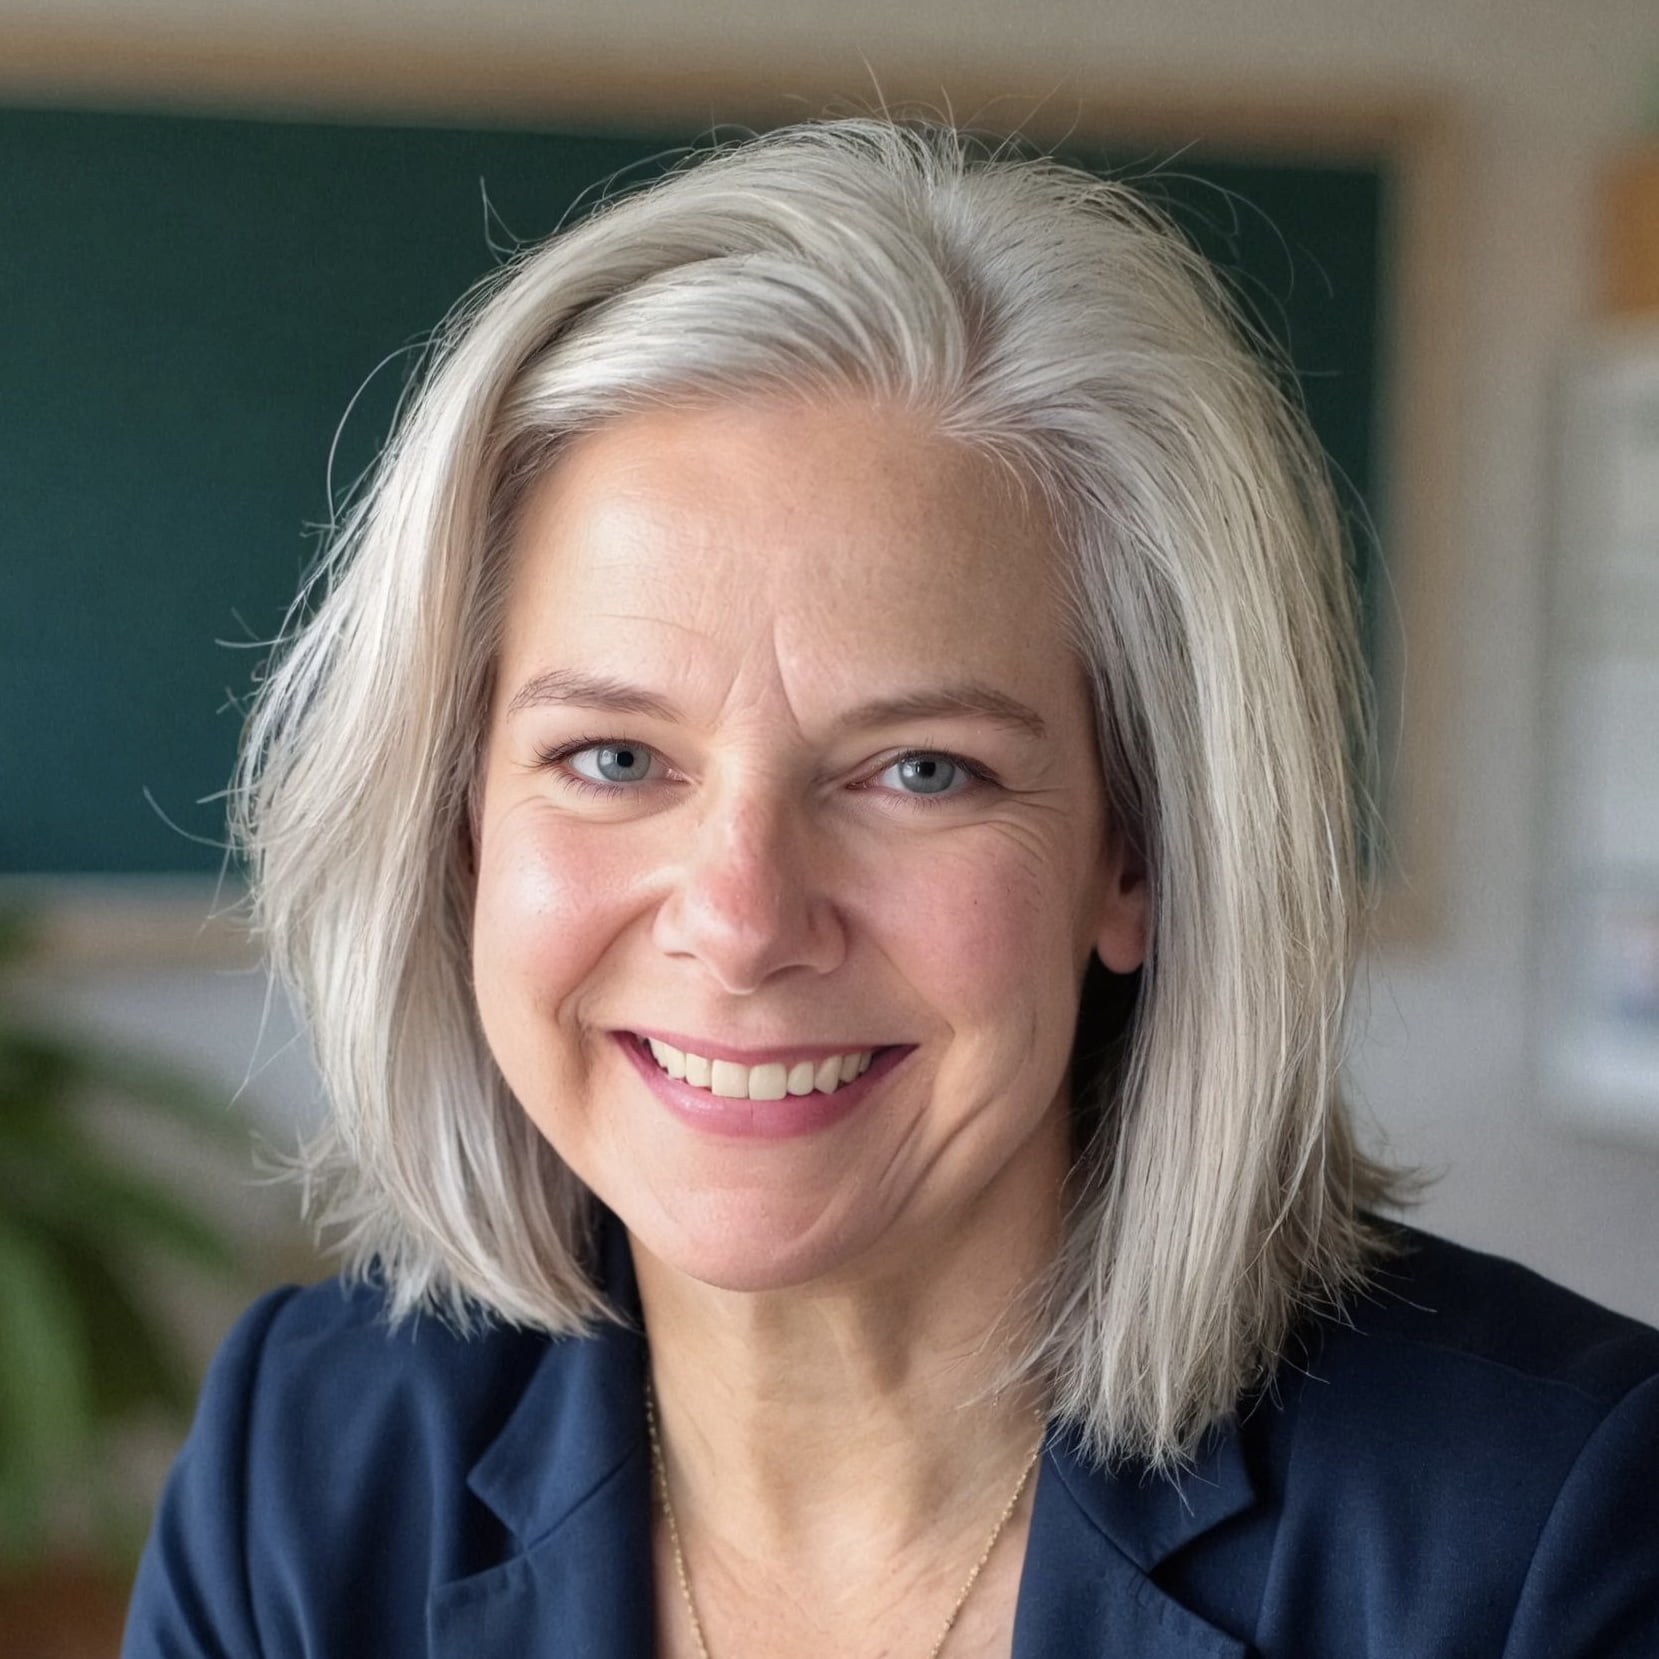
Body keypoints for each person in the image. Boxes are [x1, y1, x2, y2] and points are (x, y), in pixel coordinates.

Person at [123, 120, 1659, 1658]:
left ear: (1138, 853)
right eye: (610, 756)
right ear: (458, 824)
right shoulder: (307, 1458)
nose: (737, 917)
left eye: (921, 770)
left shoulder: (1554, 1528)